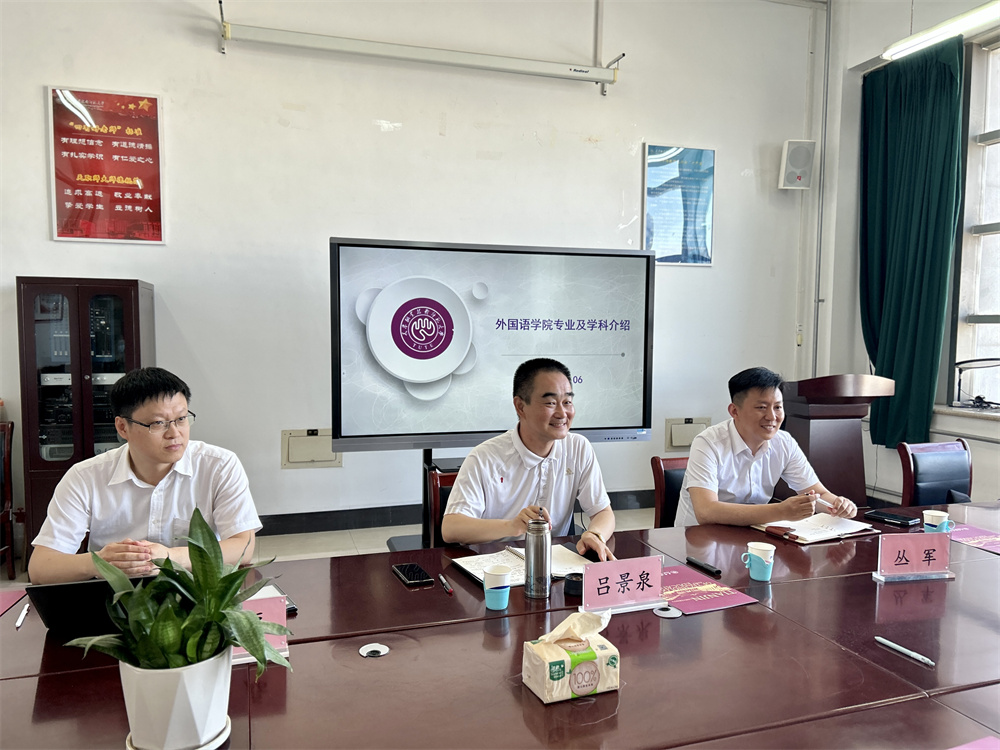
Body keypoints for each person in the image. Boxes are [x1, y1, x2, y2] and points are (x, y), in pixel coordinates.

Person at [29, 367, 261, 584]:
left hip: (199, 595)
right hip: (117, 599)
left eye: (181, 419)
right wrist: (100, 562)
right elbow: (40, 567)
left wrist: (171, 557)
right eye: (158, 423)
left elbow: (244, 546)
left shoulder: (219, 465)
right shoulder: (85, 477)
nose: (174, 433)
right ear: (122, 427)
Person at [441, 358, 616, 561]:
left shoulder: (578, 447)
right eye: (550, 403)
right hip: (493, 567)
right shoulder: (484, 457)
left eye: (567, 402)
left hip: (554, 565)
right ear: (520, 407)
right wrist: (512, 526)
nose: (562, 413)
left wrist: (595, 534)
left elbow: (603, 512)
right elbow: (451, 528)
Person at [674, 366, 858, 527]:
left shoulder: (784, 442)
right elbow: (706, 512)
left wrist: (839, 504)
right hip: (699, 539)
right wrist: (781, 511)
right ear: (734, 411)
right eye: (761, 407)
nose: (772, 417)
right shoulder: (708, 443)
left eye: (777, 407)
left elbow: (818, 494)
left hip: (753, 536)